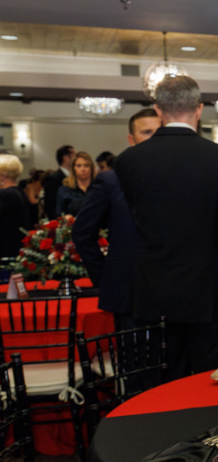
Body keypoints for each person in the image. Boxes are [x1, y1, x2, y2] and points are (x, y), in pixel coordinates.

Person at [115, 75, 218, 380]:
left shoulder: (129, 160)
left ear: (158, 110)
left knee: (160, 384)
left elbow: (132, 225)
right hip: (208, 289)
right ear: (199, 109)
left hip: (152, 291)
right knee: (209, 384)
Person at [73, 109, 161, 331]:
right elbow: (83, 233)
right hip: (128, 291)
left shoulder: (182, 175)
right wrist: (105, 277)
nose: (154, 137)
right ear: (132, 139)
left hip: (175, 291)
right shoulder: (110, 181)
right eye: (146, 132)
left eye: (159, 131)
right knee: (134, 360)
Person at [0, 153, 30, 259]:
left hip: (6, 251)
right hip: (16, 249)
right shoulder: (18, 191)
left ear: (3, 175)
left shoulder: (5, 195)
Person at [55, 151, 94, 216]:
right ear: (73, 168)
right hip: (73, 224)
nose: (83, 169)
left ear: (91, 168)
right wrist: (66, 218)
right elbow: (59, 214)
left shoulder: (99, 188)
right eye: (79, 166)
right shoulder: (64, 190)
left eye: (86, 165)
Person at [43, 144, 74, 219]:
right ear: (66, 158)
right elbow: (50, 204)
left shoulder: (73, 177)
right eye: (74, 155)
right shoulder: (54, 178)